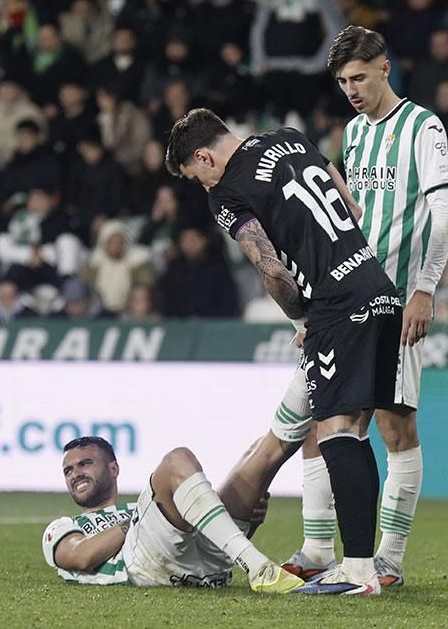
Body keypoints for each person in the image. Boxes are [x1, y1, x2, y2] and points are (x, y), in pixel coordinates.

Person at [166, 108, 400, 595]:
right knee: (352, 430)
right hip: (377, 286)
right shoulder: (291, 138)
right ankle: (341, 559)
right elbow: (351, 207)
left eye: (196, 178)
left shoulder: (228, 192)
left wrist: (302, 320)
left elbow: (271, 269)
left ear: (206, 157)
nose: (203, 188)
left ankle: (357, 571)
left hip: (336, 304)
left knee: (335, 430)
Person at [278, 25, 448, 589]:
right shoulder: (353, 134)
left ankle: (390, 558)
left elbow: (445, 214)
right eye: (342, 81)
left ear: (385, 68)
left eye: (359, 77)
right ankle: (314, 547)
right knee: (322, 415)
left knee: (394, 423)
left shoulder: (423, 127)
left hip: (398, 301)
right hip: (345, 298)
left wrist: (425, 288)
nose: (351, 89)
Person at [43, 435, 304, 593]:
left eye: (85, 463)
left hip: (209, 571)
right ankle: (258, 566)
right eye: (68, 470)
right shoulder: (63, 526)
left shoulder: (144, 509)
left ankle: (312, 380)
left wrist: (249, 523)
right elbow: (80, 557)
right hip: (145, 569)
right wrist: (129, 525)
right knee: (176, 461)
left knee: (263, 450)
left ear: (114, 468)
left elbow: (206, 540)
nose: (75, 473)